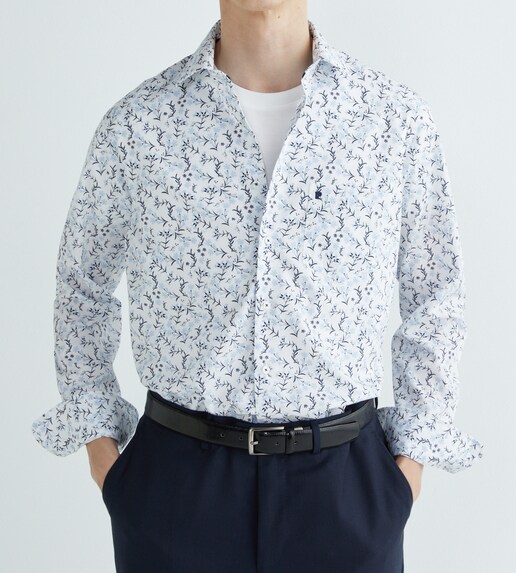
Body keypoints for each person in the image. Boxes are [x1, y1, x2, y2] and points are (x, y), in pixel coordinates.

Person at [31, 1, 484, 571]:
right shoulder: (139, 125)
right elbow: (83, 285)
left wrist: (408, 467)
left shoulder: (391, 120)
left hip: (346, 490)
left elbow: (435, 291)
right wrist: (104, 452)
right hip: (175, 489)